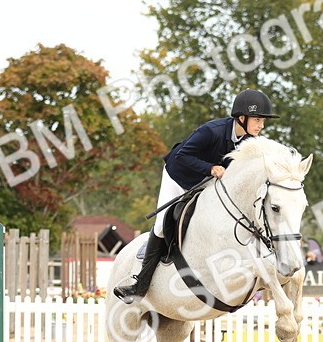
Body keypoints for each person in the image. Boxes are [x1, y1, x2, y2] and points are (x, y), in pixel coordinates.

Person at [113, 88, 279, 301]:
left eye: (262, 121)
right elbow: (182, 155)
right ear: (241, 118)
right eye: (257, 119)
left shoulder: (248, 141)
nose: (261, 125)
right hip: (178, 175)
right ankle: (140, 285)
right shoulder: (211, 131)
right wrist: (210, 168)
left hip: (206, 181)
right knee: (163, 225)